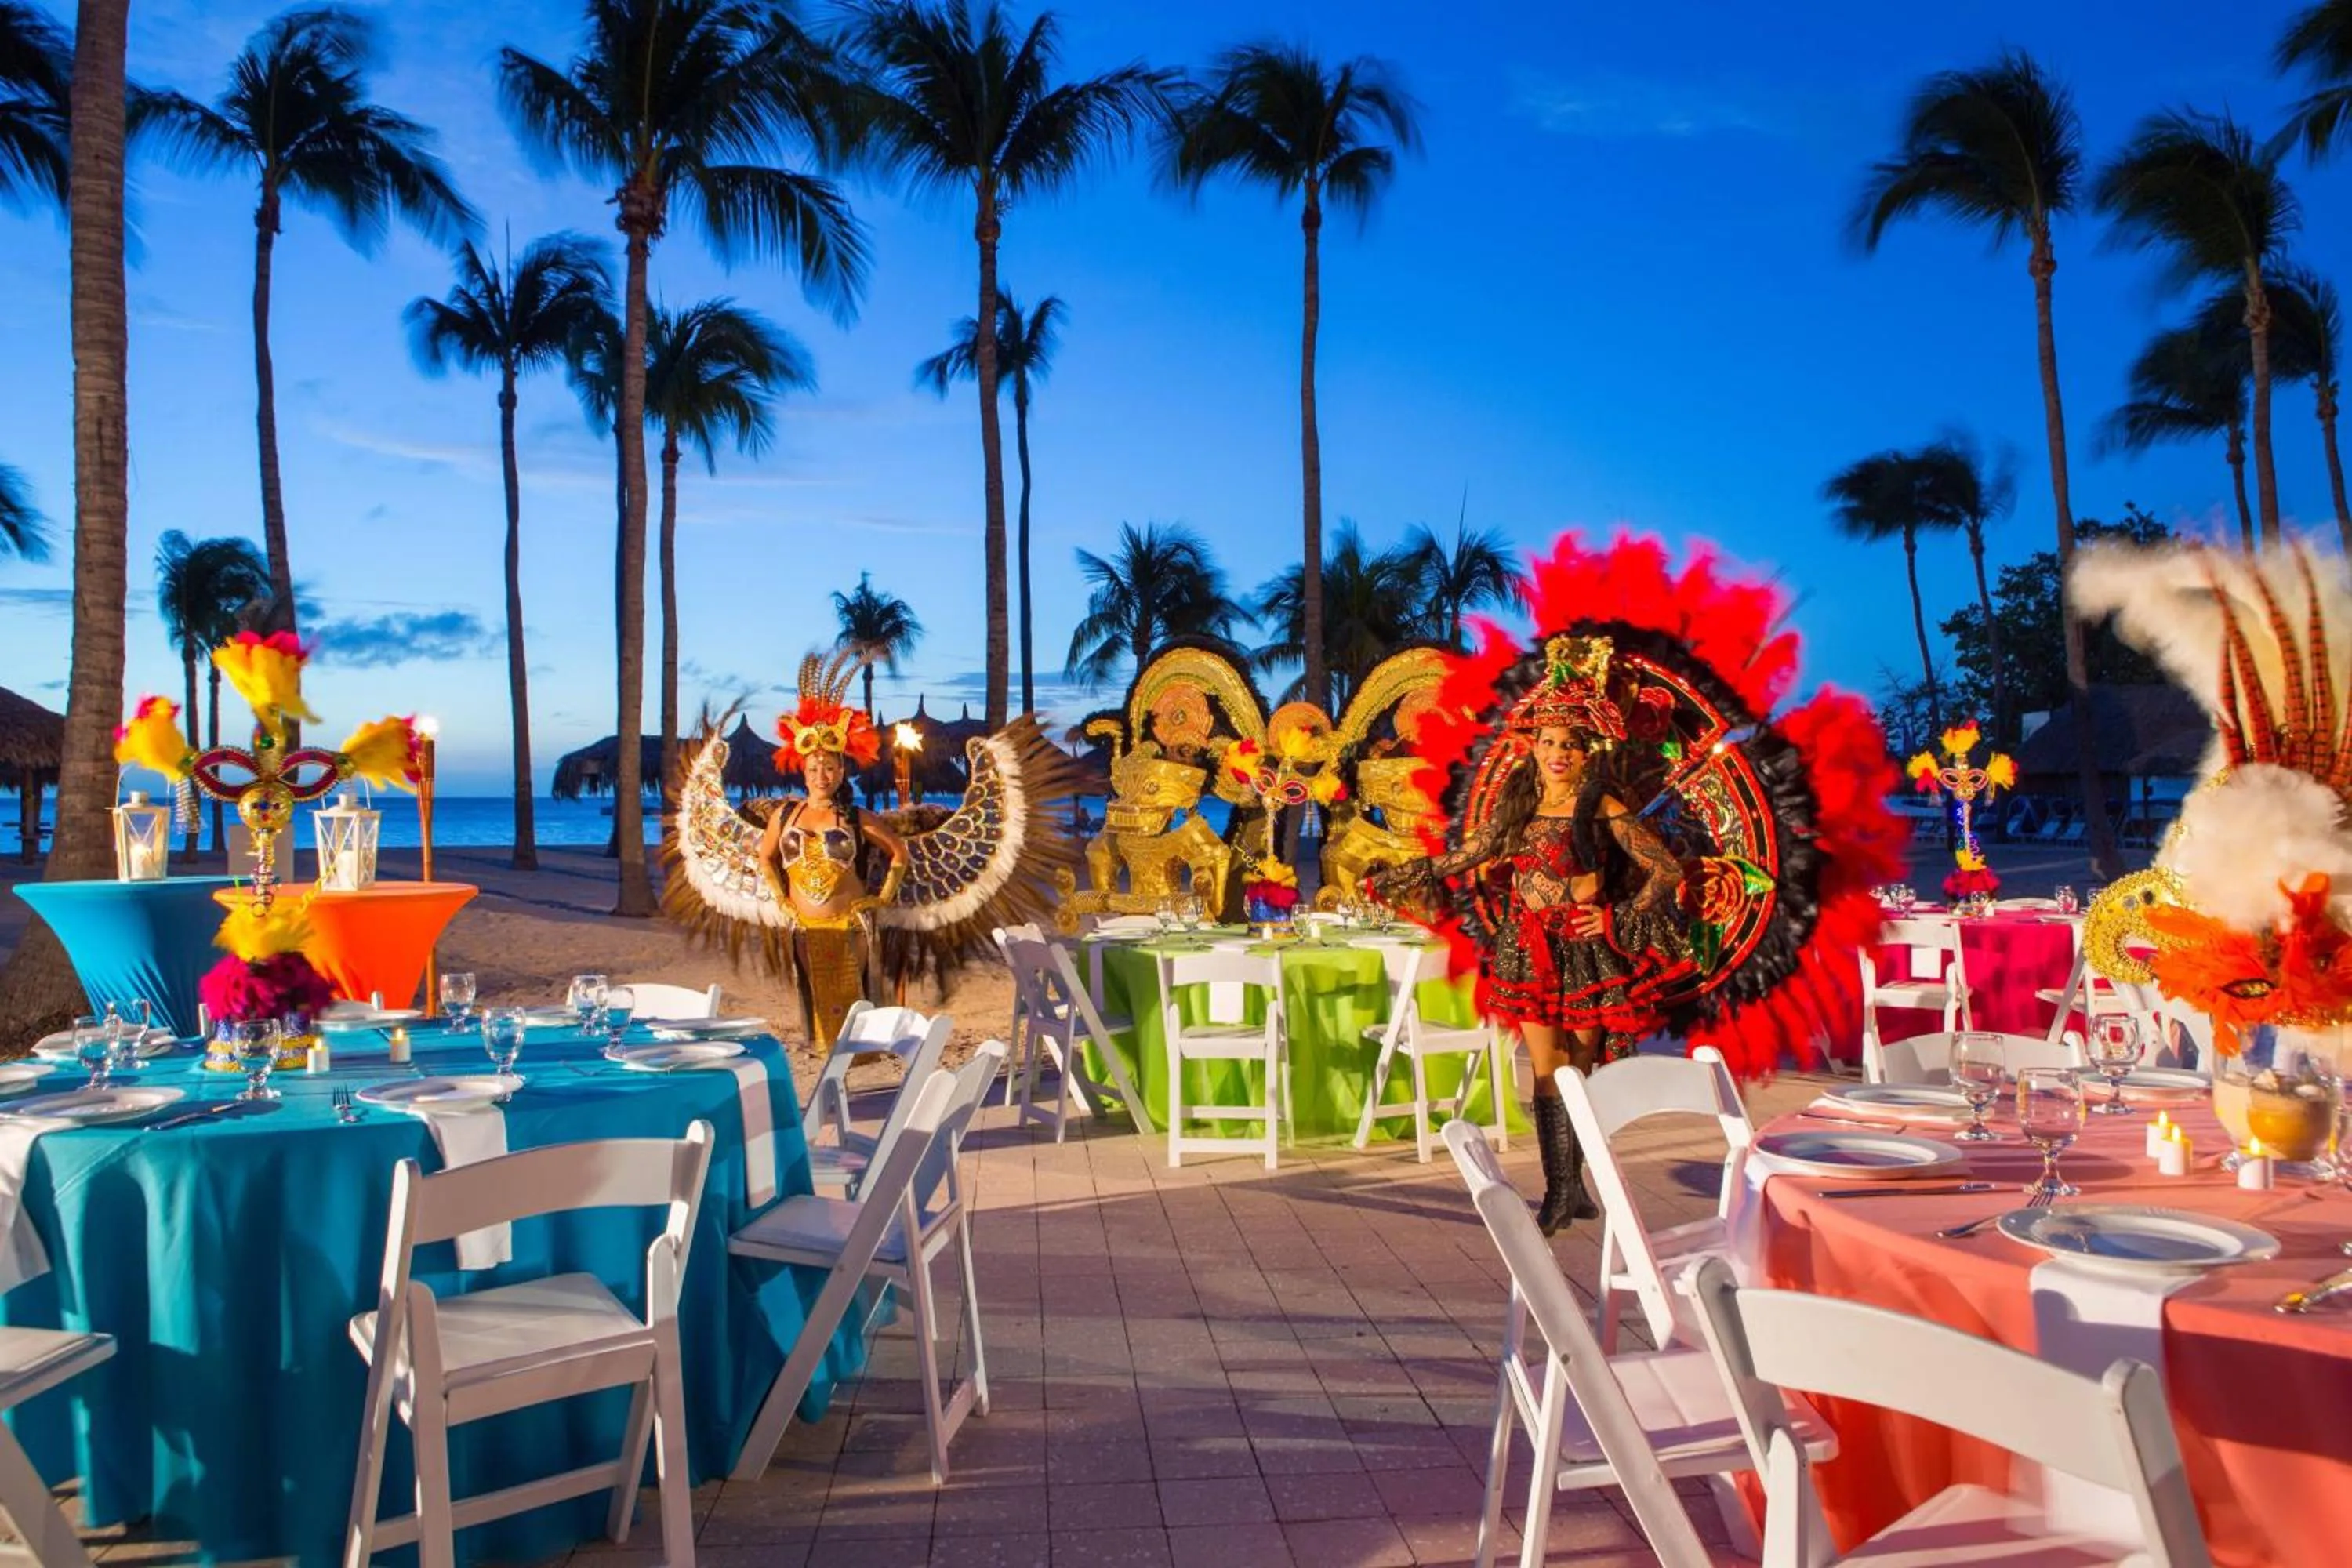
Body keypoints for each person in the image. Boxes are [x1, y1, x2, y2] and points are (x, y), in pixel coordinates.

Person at [1373, 637, 1687, 1233]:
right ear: (1533, 748)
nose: (1558, 753)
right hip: (1527, 948)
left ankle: (1579, 1187)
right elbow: (1474, 852)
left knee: (1581, 1071)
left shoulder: (1602, 803)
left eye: (1569, 744)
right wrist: (1411, 872)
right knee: (1546, 1070)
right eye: (1548, 743)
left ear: (1585, 751)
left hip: (1586, 950)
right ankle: (1560, 1190)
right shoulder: (1518, 803)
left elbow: (1665, 869)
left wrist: (1615, 916)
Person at [756, 724, 906, 1050]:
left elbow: (899, 853)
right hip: (804, 929)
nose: (820, 775)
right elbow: (765, 858)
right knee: (819, 1008)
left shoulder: (855, 817)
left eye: (828, 768)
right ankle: (834, 1084)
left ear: (841, 772)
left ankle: (847, 1079)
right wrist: (781, 900)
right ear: (803, 773)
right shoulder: (784, 816)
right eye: (813, 769)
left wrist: (881, 899)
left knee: (851, 1009)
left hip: (849, 927)